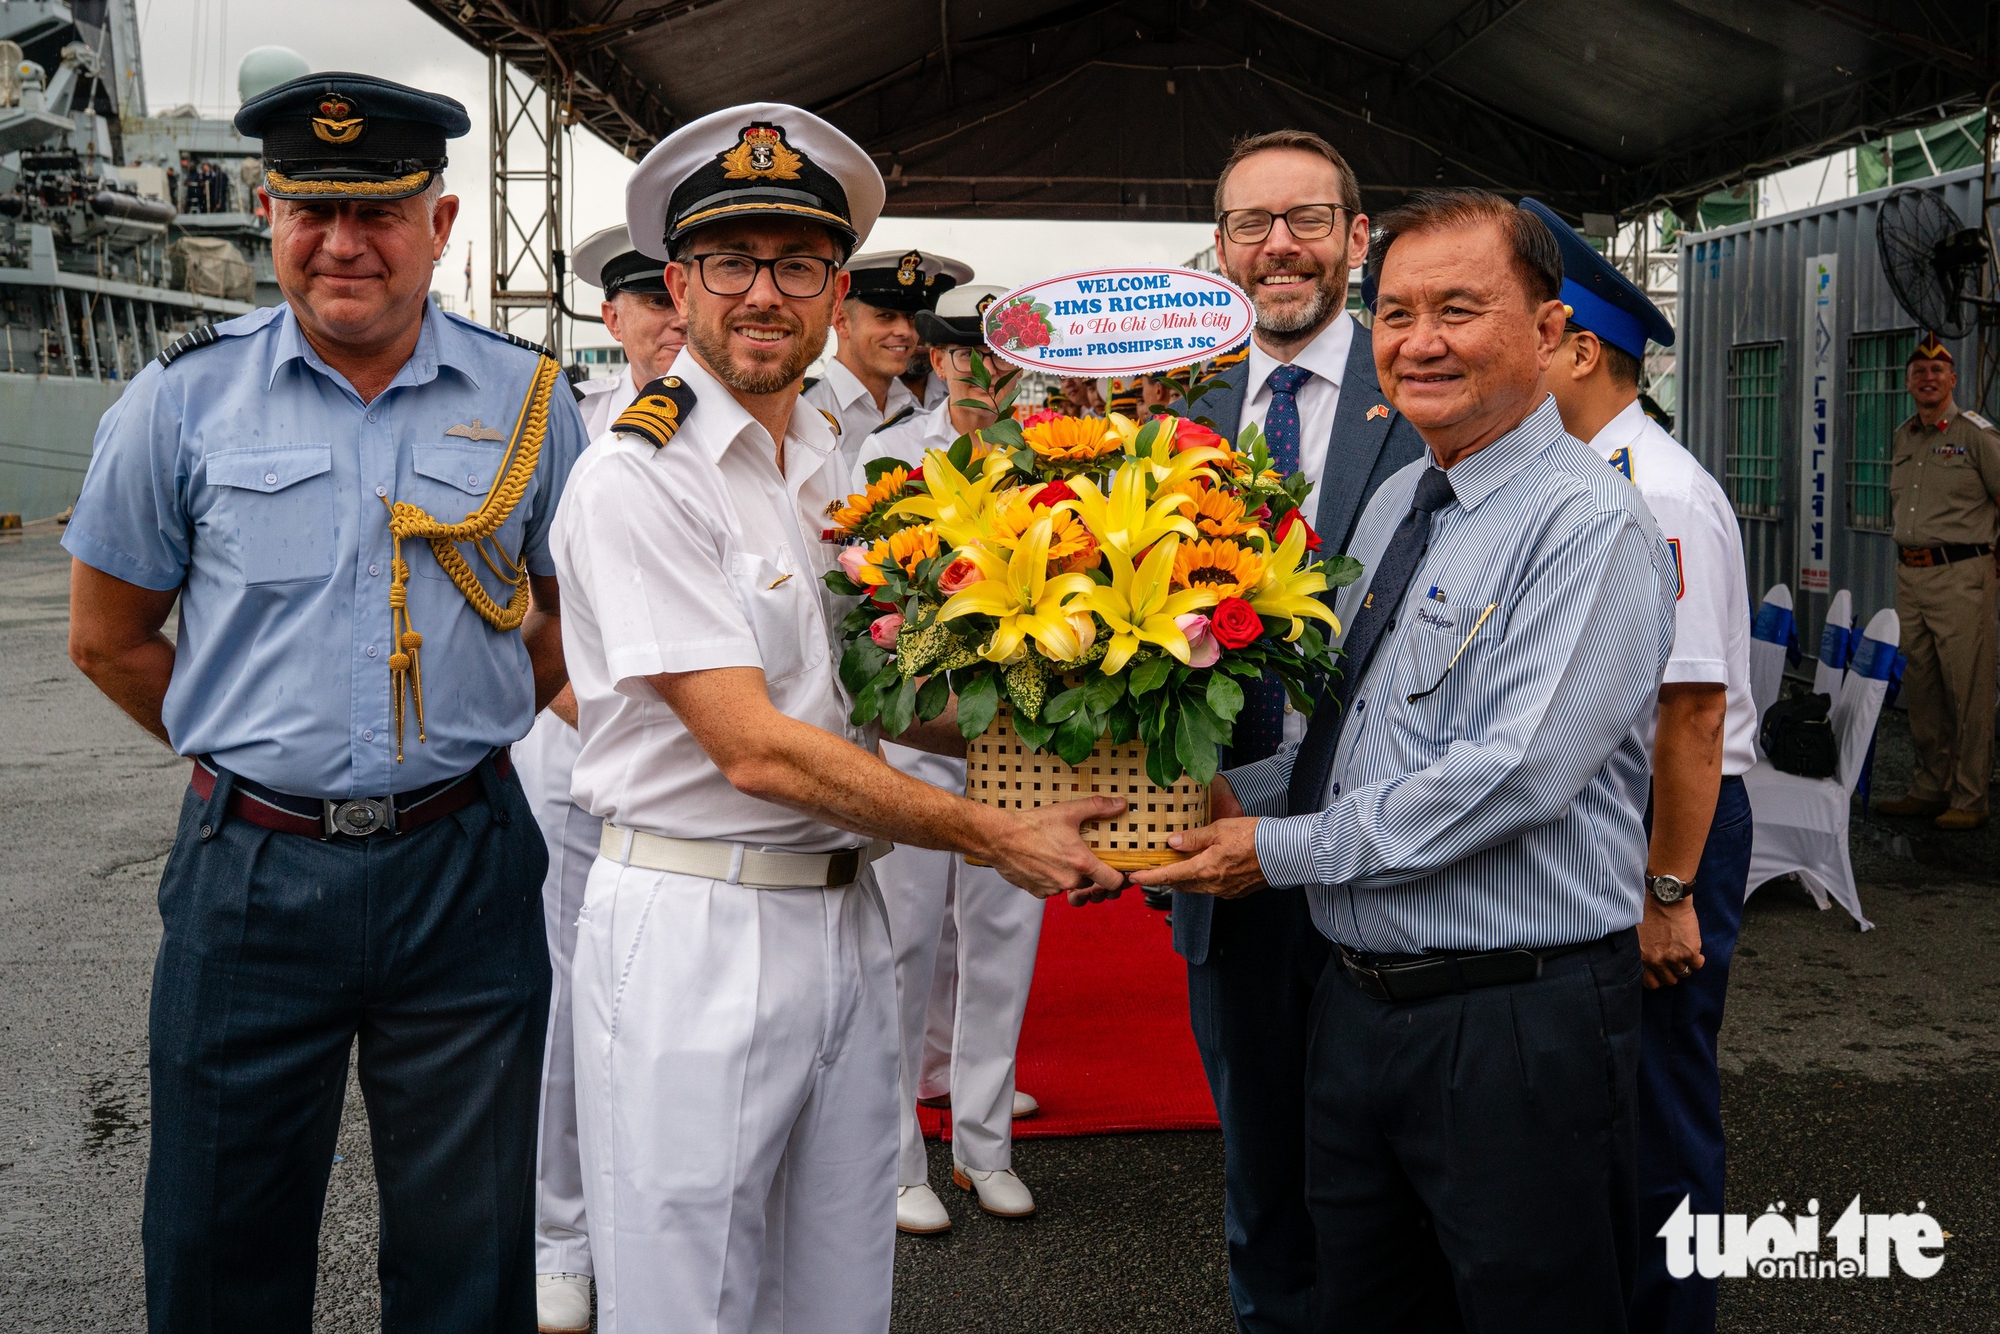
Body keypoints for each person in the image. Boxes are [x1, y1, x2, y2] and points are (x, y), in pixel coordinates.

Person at [551, 103, 1125, 1334]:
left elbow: (883, 699)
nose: (765, 293)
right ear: (681, 283)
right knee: (691, 1298)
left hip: (841, 913)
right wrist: (990, 832)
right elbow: (752, 745)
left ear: (831, 287)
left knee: (838, 1288)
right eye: (730, 263)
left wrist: (1103, 761)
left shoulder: (831, 465)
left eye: (798, 264)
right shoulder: (637, 474)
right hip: (696, 923)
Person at [63, 73, 589, 1332]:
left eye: (382, 212)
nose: (342, 241)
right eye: (309, 208)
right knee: (217, 1242)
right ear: (265, 209)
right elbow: (108, 636)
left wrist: (457, 732)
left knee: (470, 1250)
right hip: (252, 866)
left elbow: (578, 616)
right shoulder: (178, 402)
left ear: (443, 222)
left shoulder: (530, 402)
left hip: (463, 866)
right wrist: (264, 754)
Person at [1132, 188, 1677, 1332]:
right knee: (1364, 1306)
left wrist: (1274, 850)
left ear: (1546, 332)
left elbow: (1517, 771)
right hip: (1359, 1012)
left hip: (1510, 1027)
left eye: (1459, 309)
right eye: (1395, 311)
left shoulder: (1586, 522)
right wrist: (1210, 803)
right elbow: (1344, 736)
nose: (1417, 340)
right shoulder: (1394, 502)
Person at [1169, 127, 1427, 1334]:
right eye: (1251, 225)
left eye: (1307, 221)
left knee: (1399, 1171)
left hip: (1389, 845)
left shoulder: (1421, 389)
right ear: (1218, 248)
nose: (1279, 248)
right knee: (1261, 1164)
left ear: (1355, 239)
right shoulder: (1172, 409)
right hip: (1224, 852)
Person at [1530, 196, 1758, 1334]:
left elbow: (1692, 714)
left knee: (1660, 1099)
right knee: (1607, 1094)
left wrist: (1666, 891)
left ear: (1576, 348)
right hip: (1625, 819)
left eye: (1526, 330)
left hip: (1673, 824)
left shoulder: (1652, 488)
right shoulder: (1583, 471)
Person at [517, 220, 688, 1333]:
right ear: (613, 315)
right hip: (581, 754)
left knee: (678, 1012)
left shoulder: (789, 425)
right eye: (647, 303)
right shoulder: (557, 430)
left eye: (677, 300)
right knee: (571, 1002)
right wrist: (622, 729)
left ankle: (657, 1221)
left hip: (704, 782)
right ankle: (563, 1232)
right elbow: (528, 614)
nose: (671, 323)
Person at [850, 283, 1049, 1233]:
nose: (984, 371)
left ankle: (984, 1148)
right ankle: (895, 1157)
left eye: (1003, 353)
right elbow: (864, 610)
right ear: (937, 359)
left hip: (1023, 749)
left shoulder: (1056, 460)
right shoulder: (887, 459)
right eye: (966, 353)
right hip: (920, 746)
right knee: (904, 952)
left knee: (1004, 950)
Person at [1873, 334, 2000, 831]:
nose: (1928, 379)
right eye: (1919, 373)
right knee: (1922, 687)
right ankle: (1930, 786)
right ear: (1909, 383)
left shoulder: (1976, 435)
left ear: (1952, 380)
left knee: (1968, 689)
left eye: (1938, 372)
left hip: (1962, 576)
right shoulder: (1906, 436)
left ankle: (1970, 797)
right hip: (1913, 576)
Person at [803, 248, 970, 470]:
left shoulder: (916, 410)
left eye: (911, 318)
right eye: (885, 316)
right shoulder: (806, 408)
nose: (905, 331)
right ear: (842, 322)